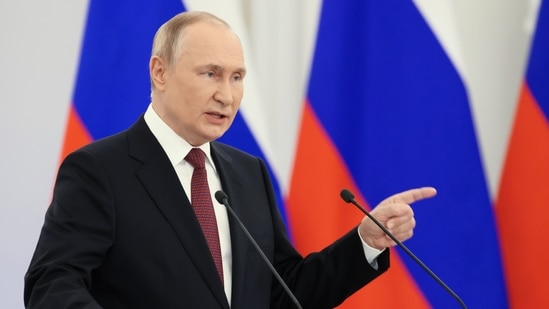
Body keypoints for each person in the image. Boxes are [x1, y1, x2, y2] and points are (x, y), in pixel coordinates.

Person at [24, 11, 437, 309]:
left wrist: (366, 240)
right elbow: (52, 285)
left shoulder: (246, 173)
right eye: (210, 74)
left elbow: (285, 291)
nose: (227, 95)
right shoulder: (99, 170)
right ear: (159, 72)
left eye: (237, 77)